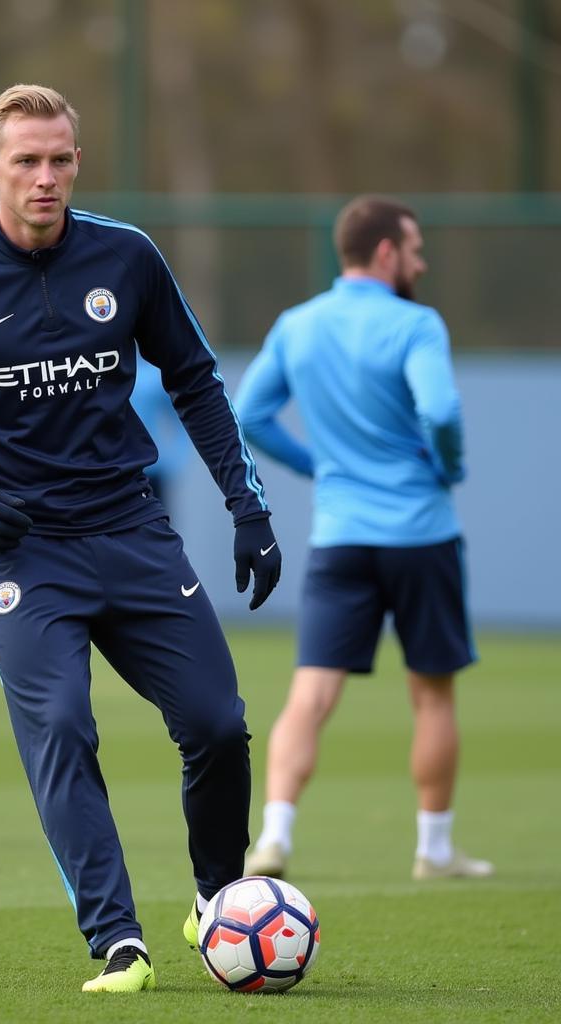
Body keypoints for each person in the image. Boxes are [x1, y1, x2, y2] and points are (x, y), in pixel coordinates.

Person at [0, 84, 282, 993]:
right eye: (25, 161)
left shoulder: (127, 257)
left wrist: (248, 507)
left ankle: (217, 904)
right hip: (17, 551)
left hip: (129, 527)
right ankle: (119, 941)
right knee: (62, 726)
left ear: (77, 163)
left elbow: (198, 380)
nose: (43, 178)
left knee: (218, 725)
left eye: (58, 160)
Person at [235, 194, 492, 882]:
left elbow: (249, 413)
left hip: (341, 534)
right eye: (414, 248)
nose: (422, 261)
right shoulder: (416, 324)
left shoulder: (298, 324)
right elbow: (438, 407)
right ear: (386, 253)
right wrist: (450, 464)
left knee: (310, 694)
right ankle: (434, 851)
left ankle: (274, 836)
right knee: (432, 694)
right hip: (421, 533)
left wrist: (318, 466)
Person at [130, 353, 192, 515]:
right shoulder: (104, 375)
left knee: (159, 527)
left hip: (151, 471)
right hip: (115, 470)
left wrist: (175, 460)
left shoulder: (154, 377)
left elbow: (180, 418)